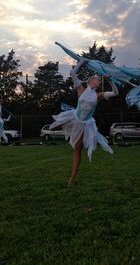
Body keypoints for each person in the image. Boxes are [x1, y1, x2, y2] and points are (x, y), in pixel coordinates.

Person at [49, 58, 119, 186]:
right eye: (94, 79)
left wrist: (110, 81)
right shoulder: (80, 89)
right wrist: (81, 62)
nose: (96, 81)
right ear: (89, 81)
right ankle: (60, 128)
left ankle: (72, 178)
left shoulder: (99, 95)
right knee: (54, 125)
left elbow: (115, 93)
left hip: (85, 123)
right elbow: (73, 73)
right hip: (74, 117)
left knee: (78, 149)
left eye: (98, 80)